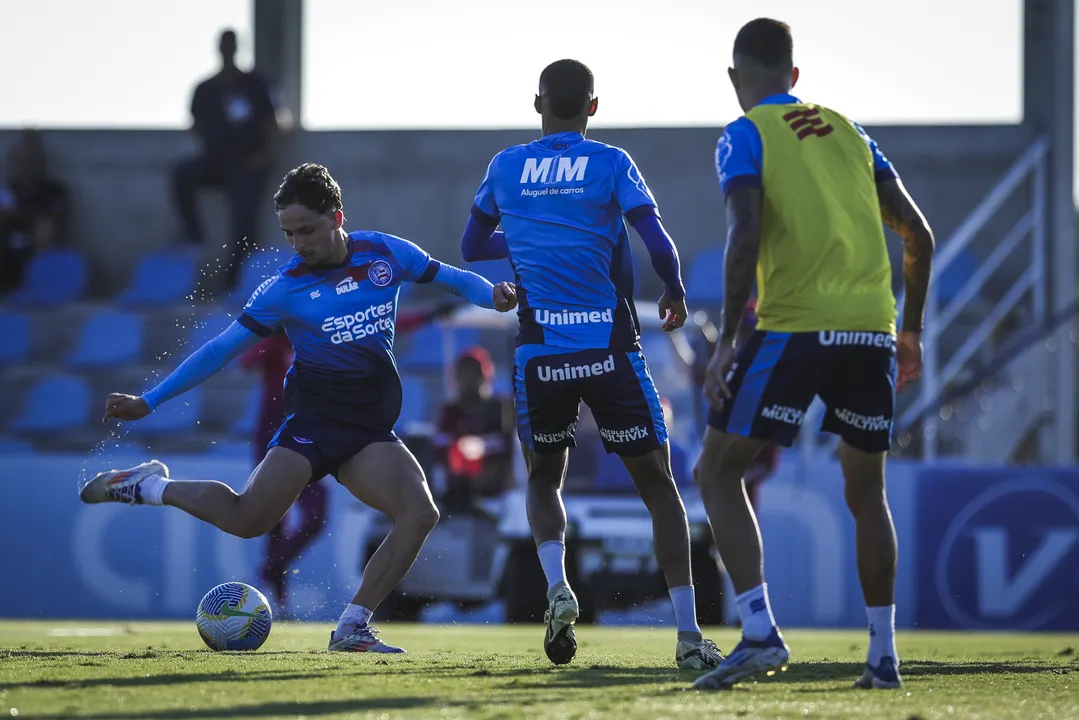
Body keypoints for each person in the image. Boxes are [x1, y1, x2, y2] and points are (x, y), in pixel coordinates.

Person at [80, 163, 517, 654]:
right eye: (290, 233)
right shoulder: (284, 289)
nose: (299, 243)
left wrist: (494, 294)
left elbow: (456, 279)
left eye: (307, 229)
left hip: (370, 430)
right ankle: (148, 485)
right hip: (313, 423)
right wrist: (149, 400)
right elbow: (219, 351)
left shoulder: (386, 253)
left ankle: (352, 626)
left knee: (419, 513)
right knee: (248, 520)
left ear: (337, 216)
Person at [692, 19, 934, 691]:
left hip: (794, 326)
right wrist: (907, 330)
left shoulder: (743, 134)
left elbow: (743, 233)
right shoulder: (853, 134)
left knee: (716, 471)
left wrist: (728, 346)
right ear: (793, 77)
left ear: (735, 79)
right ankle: (883, 657)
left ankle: (759, 632)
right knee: (867, 493)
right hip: (869, 329)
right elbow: (917, 234)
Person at [459, 59, 723, 670]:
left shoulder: (504, 166)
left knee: (543, 478)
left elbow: (473, 246)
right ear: (593, 108)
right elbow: (658, 241)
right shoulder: (610, 162)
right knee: (659, 488)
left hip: (540, 355)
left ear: (537, 104)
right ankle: (688, 638)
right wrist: (676, 291)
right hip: (609, 349)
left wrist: (526, 239)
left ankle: (557, 586)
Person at [172, 29, 280, 291]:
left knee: (244, 223)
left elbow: (274, 123)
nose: (228, 50)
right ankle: (193, 234)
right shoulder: (206, 88)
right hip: (214, 161)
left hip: (246, 164)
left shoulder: (256, 84)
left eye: (232, 45)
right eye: (224, 45)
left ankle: (234, 283)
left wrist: (263, 156)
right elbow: (195, 123)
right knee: (180, 175)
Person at [434, 347, 515, 511]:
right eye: (464, 374)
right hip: (458, 492)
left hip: (497, 496)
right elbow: (441, 449)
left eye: (475, 374)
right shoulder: (450, 412)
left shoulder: (500, 408)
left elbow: (508, 447)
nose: (469, 380)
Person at [0, 129, 69, 293]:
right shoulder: (8, 190)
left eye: (32, 161)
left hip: (37, 250)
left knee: (44, 226)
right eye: (22, 161)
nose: (27, 166)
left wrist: (18, 215)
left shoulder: (53, 190)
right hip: (7, 247)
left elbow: (53, 217)